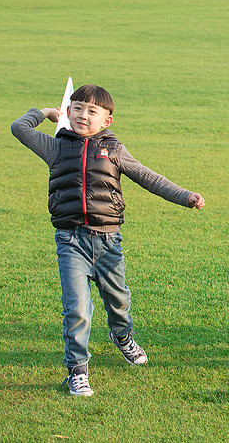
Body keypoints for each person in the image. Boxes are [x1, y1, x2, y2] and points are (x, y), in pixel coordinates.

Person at [11, 85, 205, 397]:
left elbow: (148, 177)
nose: (82, 115)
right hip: (70, 241)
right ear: (69, 112)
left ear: (106, 121)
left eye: (91, 111)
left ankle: (123, 336)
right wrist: (44, 113)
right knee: (77, 309)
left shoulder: (114, 151)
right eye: (76, 109)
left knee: (119, 301)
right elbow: (18, 128)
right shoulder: (55, 148)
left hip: (107, 242)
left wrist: (186, 196)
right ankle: (77, 370)